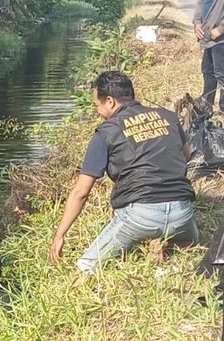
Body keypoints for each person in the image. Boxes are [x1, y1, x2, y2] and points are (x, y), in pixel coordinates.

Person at [49, 71, 197, 271]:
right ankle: (162, 241)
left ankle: (151, 236)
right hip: (182, 214)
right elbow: (186, 155)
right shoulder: (168, 117)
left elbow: (80, 193)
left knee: (86, 267)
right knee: (188, 243)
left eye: (97, 105)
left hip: (140, 215)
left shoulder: (106, 132)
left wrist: (59, 235)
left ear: (109, 101)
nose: (98, 111)